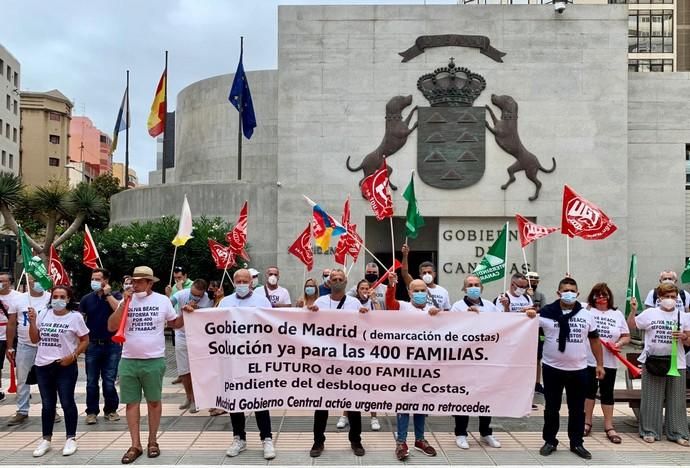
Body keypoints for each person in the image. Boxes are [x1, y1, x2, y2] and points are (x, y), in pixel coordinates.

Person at [107, 266, 178, 464]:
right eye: (133, 281)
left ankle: (153, 441)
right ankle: (135, 444)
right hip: (128, 359)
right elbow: (112, 326)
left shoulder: (162, 301)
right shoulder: (126, 300)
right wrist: (123, 305)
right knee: (131, 403)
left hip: (154, 359)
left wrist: (189, 313)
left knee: (154, 402)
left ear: (150, 283)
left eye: (139, 281)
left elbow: (175, 323)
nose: (135, 284)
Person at [539, 277, 604, 460]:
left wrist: (599, 364)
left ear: (578, 293)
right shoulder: (546, 313)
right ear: (558, 293)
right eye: (565, 290)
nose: (569, 293)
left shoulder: (586, 315)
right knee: (552, 407)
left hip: (579, 370)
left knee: (577, 409)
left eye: (572, 290)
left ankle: (577, 442)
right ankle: (550, 440)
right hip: (552, 369)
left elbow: (594, 340)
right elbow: (525, 328)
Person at [218, 268, 276, 459]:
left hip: (256, 359)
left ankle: (266, 438)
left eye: (245, 280)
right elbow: (214, 325)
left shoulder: (261, 301)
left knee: (259, 399)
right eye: (239, 281)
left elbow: (272, 325)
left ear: (251, 282)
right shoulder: (225, 302)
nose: (242, 284)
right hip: (233, 359)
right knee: (236, 401)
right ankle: (239, 438)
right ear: (234, 282)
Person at [310, 269, 367, 458]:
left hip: (348, 361)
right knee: (321, 403)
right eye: (333, 278)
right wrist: (309, 313)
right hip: (324, 361)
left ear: (346, 281)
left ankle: (356, 440)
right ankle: (318, 442)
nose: (336, 281)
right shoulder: (320, 302)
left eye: (340, 279)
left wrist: (365, 315)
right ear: (328, 281)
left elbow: (363, 328)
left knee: (352, 402)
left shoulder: (354, 303)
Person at [450, 274, 510, 450]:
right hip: (465, 360)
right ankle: (461, 433)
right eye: (470, 285)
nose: (474, 287)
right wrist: (465, 318)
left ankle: (486, 432)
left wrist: (506, 308)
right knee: (463, 397)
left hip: (487, 359)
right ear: (464, 288)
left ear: (482, 288)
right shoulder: (457, 307)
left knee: (486, 396)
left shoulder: (491, 306)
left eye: (477, 284)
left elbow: (505, 325)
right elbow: (451, 330)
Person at [29, 285, 89, 457]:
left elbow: (85, 340)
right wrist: (33, 321)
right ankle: (46, 439)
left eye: (62, 297)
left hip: (65, 365)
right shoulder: (44, 314)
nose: (58, 300)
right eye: (55, 296)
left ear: (69, 299)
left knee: (67, 401)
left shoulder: (75, 317)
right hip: (42, 365)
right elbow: (35, 339)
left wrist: (74, 355)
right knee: (47, 404)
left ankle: (71, 438)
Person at [627, 283, 690, 445]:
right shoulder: (650, 313)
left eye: (673, 297)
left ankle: (678, 432)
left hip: (677, 363)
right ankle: (650, 430)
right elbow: (632, 326)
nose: (670, 300)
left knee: (676, 399)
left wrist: (684, 337)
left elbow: (689, 339)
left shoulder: (683, 316)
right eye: (666, 296)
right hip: (653, 362)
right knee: (652, 398)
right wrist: (633, 310)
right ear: (659, 298)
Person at [385, 272, 439, 460]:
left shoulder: (434, 310)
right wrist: (391, 286)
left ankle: (420, 439)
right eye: (416, 290)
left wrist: (438, 316)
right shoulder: (403, 306)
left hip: (425, 366)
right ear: (409, 293)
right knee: (403, 403)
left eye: (423, 290)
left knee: (421, 404)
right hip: (404, 365)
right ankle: (401, 442)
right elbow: (390, 303)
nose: (420, 293)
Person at [583, 283, 629, 444]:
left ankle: (609, 426)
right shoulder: (587, 310)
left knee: (607, 393)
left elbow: (626, 335)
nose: (601, 298)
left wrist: (619, 344)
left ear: (609, 296)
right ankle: (586, 422)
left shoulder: (617, 314)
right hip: (588, 359)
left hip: (609, 360)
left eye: (604, 295)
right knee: (588, 392)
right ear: (592, 297)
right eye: (598, 295)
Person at [5, 275, 51, 426]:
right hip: (25, 345)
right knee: (22, 379)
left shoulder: (50, 298)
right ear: (28, 280)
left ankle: (51, 409)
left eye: (40, 279)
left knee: (48, 380)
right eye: (33, 279)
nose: (36, 282)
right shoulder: (18, 299)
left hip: (46, 346)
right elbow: (11, 324)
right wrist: (10, 346)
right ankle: (22, 410)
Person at [80, 268, 123, 425]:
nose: (94, 282)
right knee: (91, 381)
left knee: (109, 380)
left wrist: (108, 294)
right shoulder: (86, 299)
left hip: (112, 345)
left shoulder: (116, 296)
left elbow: (119, 310)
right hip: (92, 345)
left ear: (106, 280)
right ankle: (91, 412)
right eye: (93, 278)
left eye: (98, 279)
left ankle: (111, 410)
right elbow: (80, 320)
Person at [338, 279, 382, 432]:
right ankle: (345, 415)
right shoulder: (351, 303)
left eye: (366, 288)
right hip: (352, 347)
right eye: (361, 288)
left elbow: (381, 317)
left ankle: (374, 417)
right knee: (349, 383)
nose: (364, 290)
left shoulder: (373, 303)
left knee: (370, 384)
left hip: (369, 348)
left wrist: (374, 299)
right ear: (357, 291)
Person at [170, 279, 212, 414]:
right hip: (181, 334)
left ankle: (197, 399)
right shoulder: (181, 294)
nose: (194, 297)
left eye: (198, 295)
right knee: (184, 370)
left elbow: (209, 316)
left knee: (197, 369)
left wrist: (197, 309)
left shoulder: (208, 300)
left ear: (203, 293)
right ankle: (189, 397)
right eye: (193, 293)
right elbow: (169, 303)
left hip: (199, 336)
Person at [400, 244, 451, 309]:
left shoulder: (443, 291)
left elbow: (447, 310)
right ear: (420, 275)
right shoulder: (415, 286)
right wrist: (405, 255)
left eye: (429, 272)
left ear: (434, 274)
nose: (427, 275)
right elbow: (405, 273)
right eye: (424, 273)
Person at [0, 272, 25, 402]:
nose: (1, 283)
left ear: (9, 282)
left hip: (13, 334)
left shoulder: (18, 297)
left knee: (18, 363)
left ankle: (22, 388)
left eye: (3, 281)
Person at [165, 266, 192, 385]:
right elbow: (169, 304)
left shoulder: (192, 286)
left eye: (179, 277)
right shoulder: (175, 287)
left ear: (185, 276)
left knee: (189, 353)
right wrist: (168, 294)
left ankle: (190, 375)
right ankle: (181, 374)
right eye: (175, 278)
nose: (177, 280)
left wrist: (180, 289)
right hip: (176, 320)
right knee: (178, 350)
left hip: (189, 324)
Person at [526, 271, 546, 395]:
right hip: (523, 331)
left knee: (537, 357)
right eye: (530, 279)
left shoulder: (540, 295)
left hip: (538, 330)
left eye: (535, 280)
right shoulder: (521, 295)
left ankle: (537, 383)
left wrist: (533, 306)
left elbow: (542, 310)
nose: (533, 282)